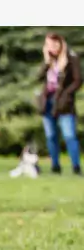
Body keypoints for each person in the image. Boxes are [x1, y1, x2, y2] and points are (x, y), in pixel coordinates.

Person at [38, 32, 82, 175]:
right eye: (49, 45)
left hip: (64, 103)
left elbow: (78, 80)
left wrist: (66, 94)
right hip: (47, 102)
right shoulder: (48, 60)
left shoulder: (71, 58)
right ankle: (55, 166)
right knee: (51, 136)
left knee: (69, 135)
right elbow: (38, 77)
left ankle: (76, 167)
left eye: (55, 44)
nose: (52, 48)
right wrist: (46, 61)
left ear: (61, 44)